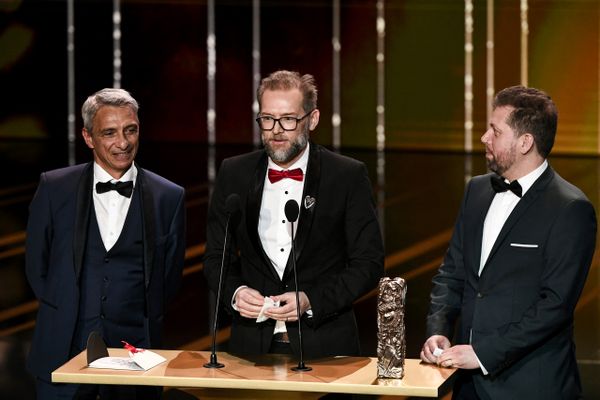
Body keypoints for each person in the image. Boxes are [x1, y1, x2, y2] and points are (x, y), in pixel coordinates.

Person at [420, 86, 597, 399]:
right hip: (467, 384)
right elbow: (452, 274)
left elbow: (554, 306)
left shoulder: (570, 209)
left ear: (525, 142)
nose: (484, 138)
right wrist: (438, 331)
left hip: (530, 386)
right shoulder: (476, 191)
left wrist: (483, 353)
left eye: (494, 130)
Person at [204, 70, 384, 358]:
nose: (276, 130)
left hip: (326, 347)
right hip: (250, 349)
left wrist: (310, 300)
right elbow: (216, 256)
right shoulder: (234, 173)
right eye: (267, 118)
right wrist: (236, 293)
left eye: (288, 119)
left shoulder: (346, 176)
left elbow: (368, 262)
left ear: (312, 119)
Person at [26, 88, 186, 399]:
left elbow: (169, 279)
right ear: (88, 137)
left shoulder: (169, 196)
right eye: (109, 132)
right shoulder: (54, 188)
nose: (123, 143)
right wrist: (66, 309)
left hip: (136, 356)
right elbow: (37, 268)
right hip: (61, 350)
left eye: (130, 130)